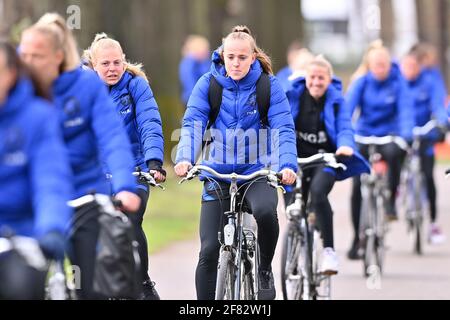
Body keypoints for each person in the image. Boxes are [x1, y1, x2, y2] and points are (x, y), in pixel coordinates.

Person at [19, 13, 141, 299]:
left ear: (58, 56)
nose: (27, 62)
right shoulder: (18, 91)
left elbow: (112, 138)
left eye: (36, 55)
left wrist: (124, 184)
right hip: (36, 202)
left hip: (85, 196)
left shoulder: (86, 88)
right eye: (23, 55)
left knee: (94, 284)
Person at [174, 25, 298, 300]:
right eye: (231, 57)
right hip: (217, 173)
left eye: (242, 57)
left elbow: (283, 129)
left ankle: (264, 269)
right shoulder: (208, 83)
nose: (236, 63)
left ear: (253, 57)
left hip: (257, 172)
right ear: (222, 56)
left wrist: (286, 164)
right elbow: (193, 122)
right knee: (208, 252)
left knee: (266, 213)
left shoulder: (268, 85)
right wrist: (184, 157)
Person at [83, 33, 165, 299]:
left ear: (124, 61)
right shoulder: (84, 90)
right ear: (93, 66)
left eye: (117, 62)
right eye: (105, 64)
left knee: (130, 221)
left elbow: (149, 123)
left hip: (135, 170)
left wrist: (154, 162)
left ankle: (142, 283)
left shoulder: (136, 86)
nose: (112, 69)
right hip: (97, 173)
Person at [0, 41, 73, 299]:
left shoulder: (38, 117)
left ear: (11, 74)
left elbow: (50, 180)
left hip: (23, 237)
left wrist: (51, 228)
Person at [285, 55, 370, 274]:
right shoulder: (292, 96)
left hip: (326, 159)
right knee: (292, 206)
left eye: (321, 78)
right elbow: (279, 124)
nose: (316, 82)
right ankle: (294, 244)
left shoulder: (336, 100)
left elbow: (344, 128)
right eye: (312, 77)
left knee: (319, 193)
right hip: (294, 160)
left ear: (329, 80)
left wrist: (345, 146)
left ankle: (329, 252)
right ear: (305, 78)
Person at [346, 40, 414, 259]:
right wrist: (345, 137)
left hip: (390, 135)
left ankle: (391, 202)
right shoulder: (361, 83)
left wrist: (405, 137)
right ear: (369, 65)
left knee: (395, 154)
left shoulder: (398, 82)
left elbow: (405, 111)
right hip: (364, 134)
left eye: (384, 64)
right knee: (357, 184)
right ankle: (357, 237)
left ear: (389, 64)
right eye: (376, 65)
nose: (381, 69)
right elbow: (346, 112)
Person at [400, 52, 448, 244]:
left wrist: (442, 122)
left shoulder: (429, 82)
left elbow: (438, 104)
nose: (410, 70)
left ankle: (433, 222)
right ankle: (396, 194)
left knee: (428, 177)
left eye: (413, 66)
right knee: (396, 164)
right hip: (404, 134)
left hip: (425, 133)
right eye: (406, 66)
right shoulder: (398, 84)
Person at [179, 35, 210, 106]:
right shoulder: (189, 63)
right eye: (204, 49)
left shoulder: (203, 62)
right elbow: (189, 83)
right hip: (193, 100)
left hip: (203, 98)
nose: (207, 52)